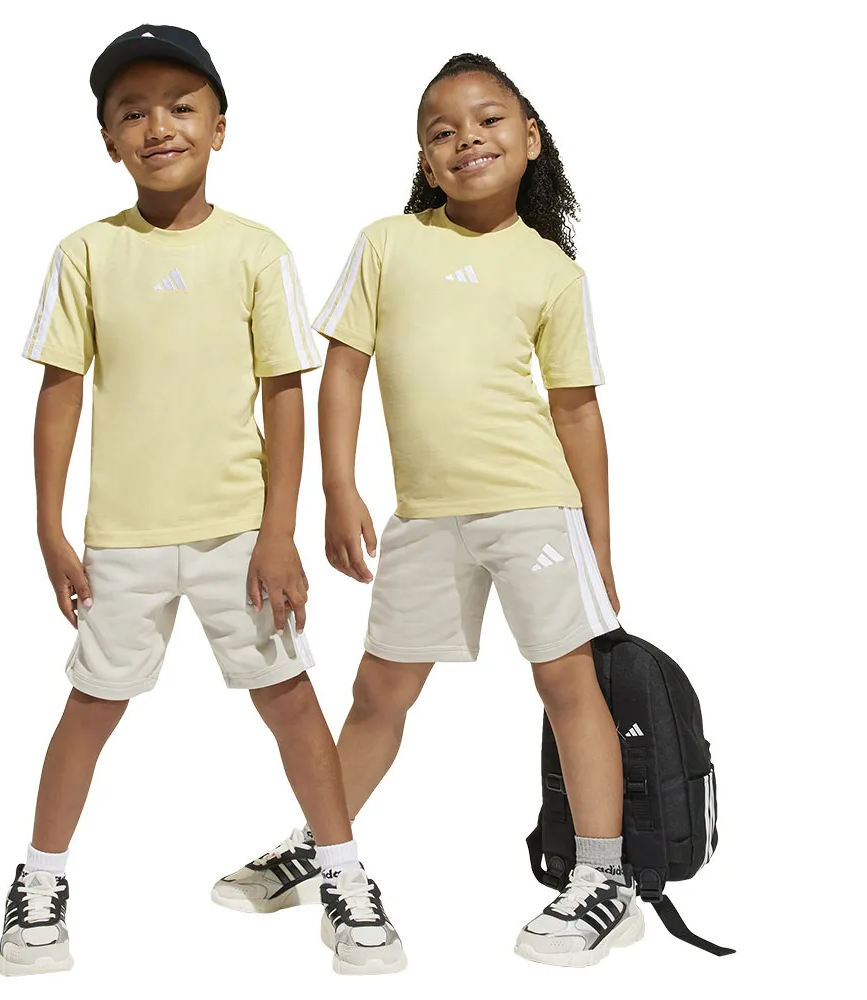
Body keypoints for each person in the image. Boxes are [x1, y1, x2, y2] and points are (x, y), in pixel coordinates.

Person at [212, 52, 643, 969]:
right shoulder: (389, 244)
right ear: (424, 158)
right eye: (442, 132)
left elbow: (577, 414)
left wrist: (599, 545)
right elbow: (344, 371)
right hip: (424, 516)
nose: (466, 140)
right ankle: (321, 842)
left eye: (488, 121)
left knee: (568, 686)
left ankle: (605, 878)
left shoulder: (552, 271)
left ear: (531, 139)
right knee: (380, 692)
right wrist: (339, 489)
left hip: (534, 510)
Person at [0, 24, 405, 978]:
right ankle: (38, 883)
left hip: (239, 536)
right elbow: (60, 393)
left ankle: (342, 873)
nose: (159, 127)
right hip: (124, 538)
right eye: (132, 112)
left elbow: (283, 395)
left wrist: (280, 534)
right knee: (90, 706)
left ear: (220, 126)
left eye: (182, 107)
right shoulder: (86, 252)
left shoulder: (256, 251)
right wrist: (49, 529)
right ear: (109, 139)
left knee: (291, 702)